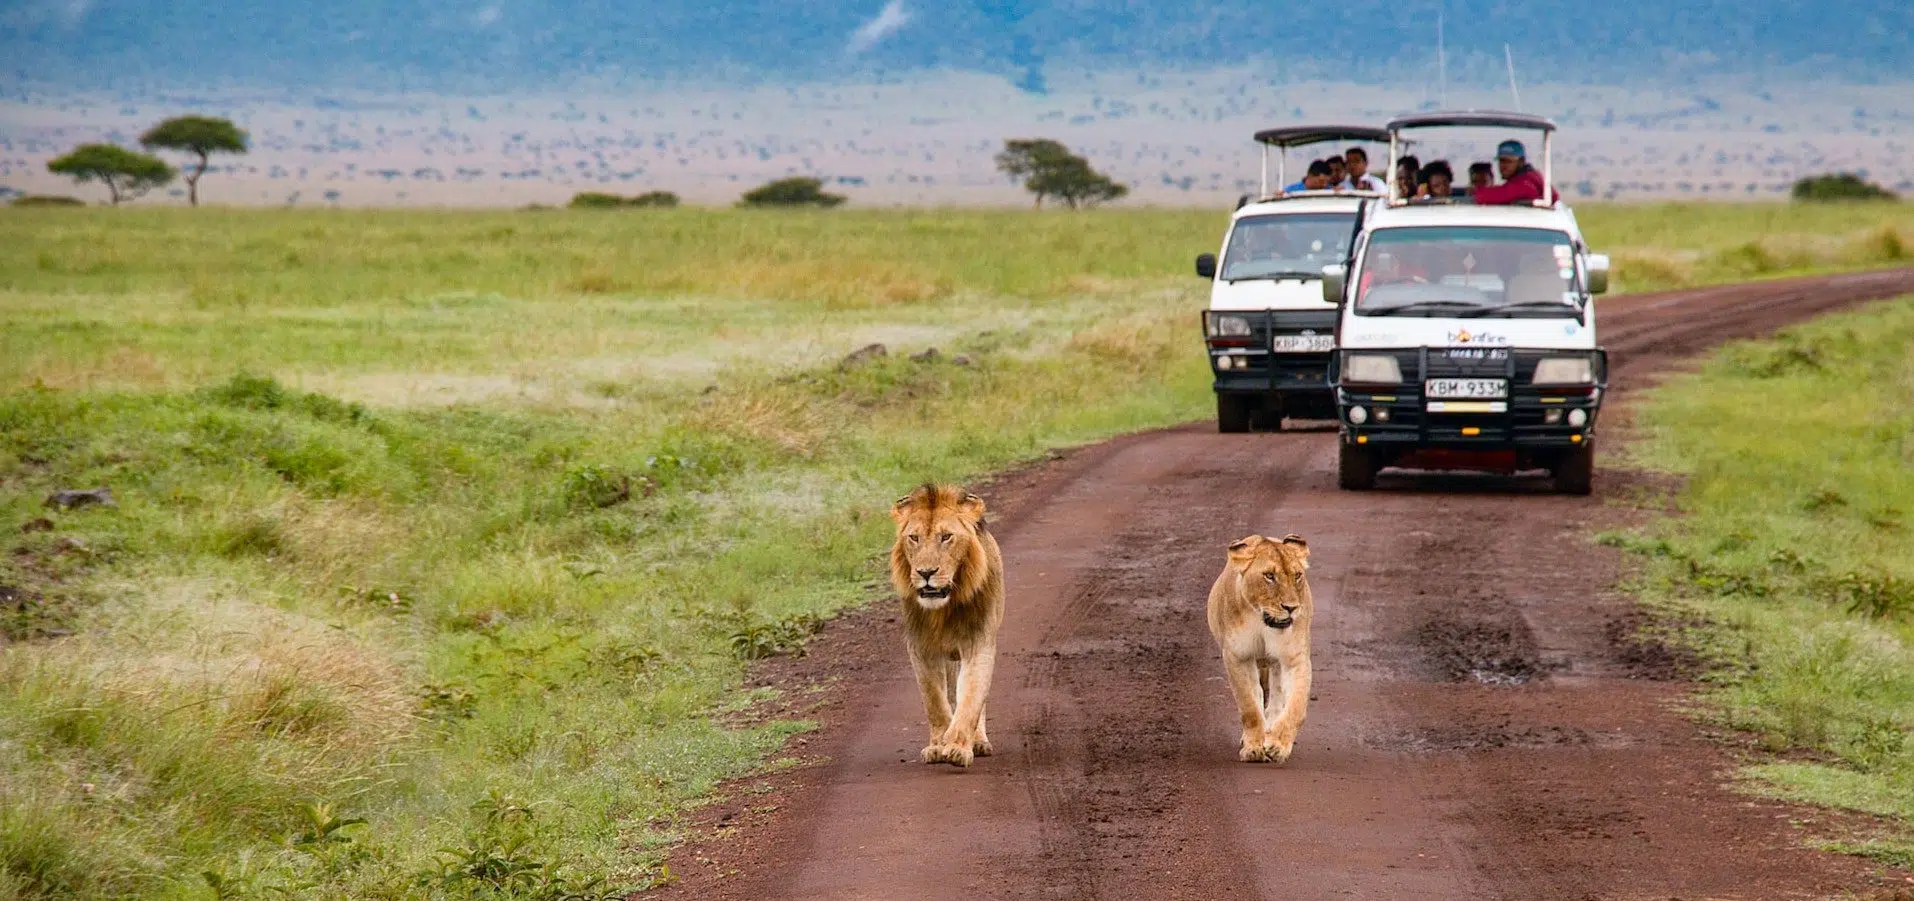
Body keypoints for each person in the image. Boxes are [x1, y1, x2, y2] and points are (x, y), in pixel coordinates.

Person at [1470, 140, 1556, 205]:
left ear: (1521, 161)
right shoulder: (1527, 178)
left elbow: (1502, 194)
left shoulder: (1525, 183)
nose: (1503, 166)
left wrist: (1473, 194)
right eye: (1501, 161)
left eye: (1509, 161)